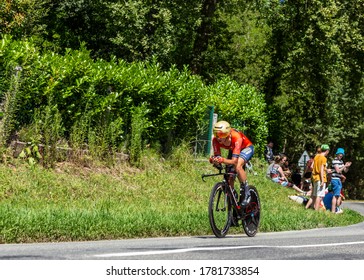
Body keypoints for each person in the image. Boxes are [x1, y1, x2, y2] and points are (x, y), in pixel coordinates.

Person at [209, 120, 254, 207]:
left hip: (246, 148)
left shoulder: (236, 137)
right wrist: (216, 161)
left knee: (237, 166)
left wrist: (222, 160)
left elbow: (234, 161)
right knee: (229, 175)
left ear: (227, 134)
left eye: (221, 135)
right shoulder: (215, 140)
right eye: (216, 134)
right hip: (233, 150)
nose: (218, 138)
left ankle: (246, 191)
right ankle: (233, 194)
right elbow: (218, 157)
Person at [305, 144, 330, 211]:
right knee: (319, 195)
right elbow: (321, 169)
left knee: (313, 194)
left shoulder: (316, 156)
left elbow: (312, 167)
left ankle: (306, 208)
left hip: (314, 178)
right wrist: (322, 180)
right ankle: (316, 211)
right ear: (327, 151)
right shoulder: (324, 158)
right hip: (320, 178)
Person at [330, 148, 352, 214]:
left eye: (342, 154)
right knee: (335, 195)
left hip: (339, 179)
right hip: (335, 179)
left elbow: (345, 171)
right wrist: (344, 165)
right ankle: (333, 211)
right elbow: (338, 171)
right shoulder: (335, 161)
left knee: (337, 195)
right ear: (337, 154)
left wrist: (347, 166)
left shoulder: (341, 161)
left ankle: (335, 210)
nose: (341, 155)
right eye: (340, 153)